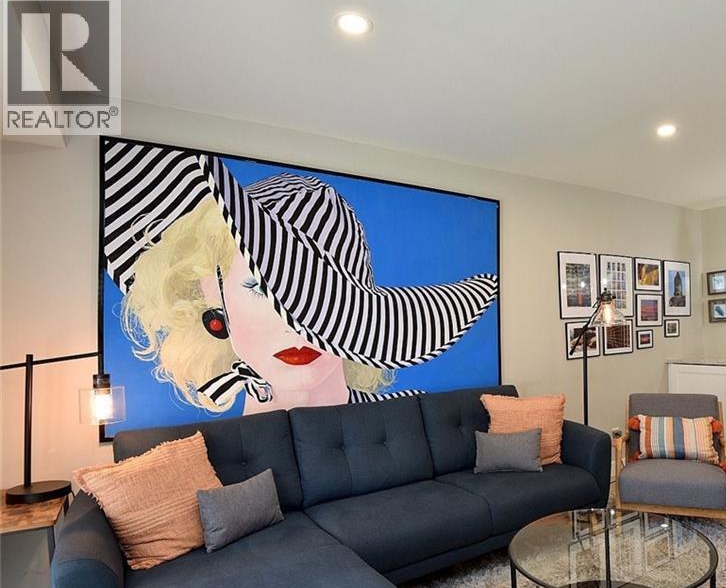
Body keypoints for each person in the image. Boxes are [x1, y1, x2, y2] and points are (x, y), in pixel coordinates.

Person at [104, 142, 498, 414]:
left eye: (328, 291)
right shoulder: (209, 460)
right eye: (262, 286)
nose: (298, 326)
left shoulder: (406, 411)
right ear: (214, 297)